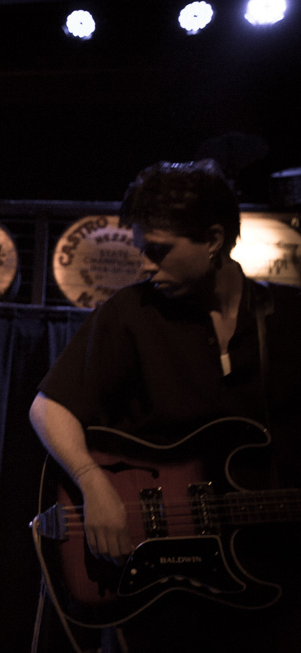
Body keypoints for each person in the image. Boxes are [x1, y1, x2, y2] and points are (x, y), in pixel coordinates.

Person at [29, 160, 301, 652]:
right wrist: (94, 484)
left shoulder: (287, 319)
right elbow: (49, 408)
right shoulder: (132, 313)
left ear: (213, 239)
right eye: (142, 250)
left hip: (272, 587)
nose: (145, 265)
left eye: (159, 251)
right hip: (161, 599)